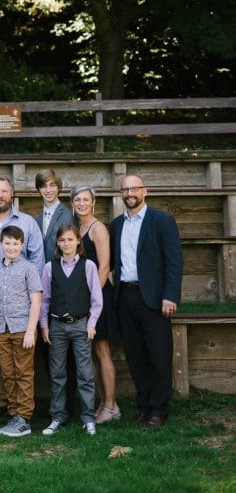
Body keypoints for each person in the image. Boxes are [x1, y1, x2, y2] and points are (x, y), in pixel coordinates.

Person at [110, 175, 183, 429]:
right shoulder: (116, 225)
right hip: (125, 296)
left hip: (153, 297)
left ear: (145, 191)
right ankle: (144, 406)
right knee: (135, 355)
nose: (129, 193)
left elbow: (174, 260)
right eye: (125, 189)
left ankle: (159, 409)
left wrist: (170, 295)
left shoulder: (162, 220)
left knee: (158, 354)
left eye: (134, 188)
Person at [0, 175, 44, 422]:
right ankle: (5, 407)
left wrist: (31, 325)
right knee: (2, 367)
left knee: (23, 369)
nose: (0, 195)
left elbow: (37, 261)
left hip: (22, 311)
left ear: (12, 193)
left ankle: (23, 414)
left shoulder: (27, 223)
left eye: (4, 190)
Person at [39, 224, 103, 436]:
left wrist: (92, 324)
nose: (66, 243)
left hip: (81, 325)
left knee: (85, 373)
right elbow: (45, 300)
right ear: (57, 243)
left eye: (70, 239)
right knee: (57, 373)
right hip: (57, 326)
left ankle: (88, 418)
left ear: (78, 242)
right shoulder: (50, 267)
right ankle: (57, 416)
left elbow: (96, 299)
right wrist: (44, 325)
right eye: (62, 240)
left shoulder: (88, 266)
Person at [0, 225, 43, 437]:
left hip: (22, 329)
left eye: (16, 243)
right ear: (1, 244)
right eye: (7, 243)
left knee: (23, 373)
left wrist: (30, 331)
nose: (11, 247)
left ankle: (24, 417)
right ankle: (14, 414)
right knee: (8, 374)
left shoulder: (29, 269)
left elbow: (36, 301)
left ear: (22, 245)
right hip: (1, 329)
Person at [71, 183, 120, 423]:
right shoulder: (77, 227)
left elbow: (104, 267)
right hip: (83, 299)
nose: (81, 203)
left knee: (102, 351)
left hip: (98, 297)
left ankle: (111, 406)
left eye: (85, 199)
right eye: (77, 200)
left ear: (93, 202)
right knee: (90, 352)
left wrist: (92, 300)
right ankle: (103, 402)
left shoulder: (97, 228)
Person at [35, 170, 74, 264]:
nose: (48, 190)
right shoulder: (37, 219)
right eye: (43, 186)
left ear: (58, 188)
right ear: (39, 189)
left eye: (52, 185)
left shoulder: (68, 215)